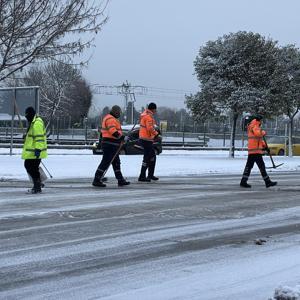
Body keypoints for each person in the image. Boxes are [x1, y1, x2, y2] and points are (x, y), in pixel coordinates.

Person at [92, 105, 130, 187]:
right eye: (119, 112)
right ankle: (97, 179)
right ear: (115, 112)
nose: (119, 114)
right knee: (105, 162)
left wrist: (121, 138)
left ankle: (120, 180)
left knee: (116, 163)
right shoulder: (111, 119)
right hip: (110, 144)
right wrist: (122, 137)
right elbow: (113, 131)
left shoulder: (111, 118)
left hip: (112, 144)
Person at [240, 115, 277, 188]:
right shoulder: (255, 125)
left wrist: (265, 147)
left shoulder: (253, 125)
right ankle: (267, 182)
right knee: (261, 166)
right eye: (261, 120)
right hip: (255, 151)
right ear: (258, 120)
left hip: (254, 150)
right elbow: (258, 134)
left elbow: (259, 140)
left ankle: (243, 181)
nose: (262, 122)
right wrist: (263, 132)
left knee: (249, 166)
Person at [22, 106, 47, 193]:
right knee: (32, 168)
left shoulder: (37, 123)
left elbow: (39, 138)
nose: (26, 118)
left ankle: (37, 186)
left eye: (27, 116)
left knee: (31, 168)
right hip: (32, 152)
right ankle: (38, 184)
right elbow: (32, 136)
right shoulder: (33, 122)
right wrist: (26, 136)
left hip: (35, 151)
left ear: (31, 114)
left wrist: (38, 149)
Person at [138, 102, 160, 182]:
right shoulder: (148, 117)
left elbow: (151, 127)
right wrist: (157, 134)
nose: (155, 111)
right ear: (153, 109)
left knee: (151, 156)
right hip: (146, 139)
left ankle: (149, 175)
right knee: (148, 157)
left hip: (146, 139)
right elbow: (150, 128)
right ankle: (142, 176)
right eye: (155, 109)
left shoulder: (147, 115)